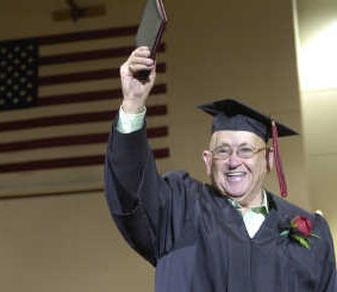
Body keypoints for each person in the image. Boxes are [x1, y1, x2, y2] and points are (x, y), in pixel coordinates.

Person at [104, 46, 336, 292]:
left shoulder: (311, 232)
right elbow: (132, 187)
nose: (234, 161)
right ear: (207, 160)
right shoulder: (178, 208)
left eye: (246, 150)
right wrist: (133, 103)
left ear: (269, 159)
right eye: (223, 151)